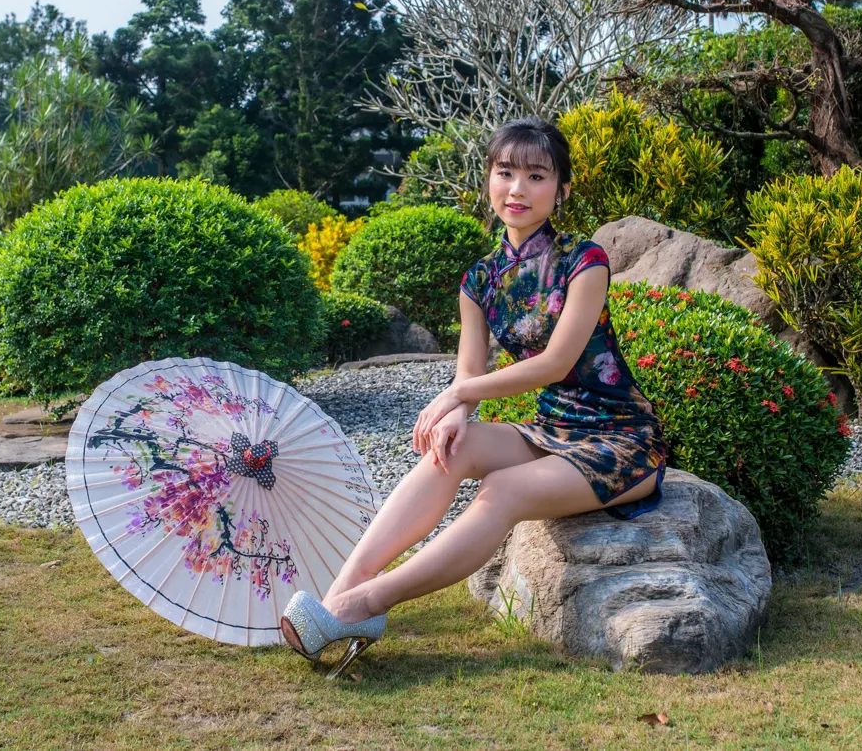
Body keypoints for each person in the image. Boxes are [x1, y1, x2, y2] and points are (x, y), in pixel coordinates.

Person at [281, 116, 668, 675]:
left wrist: (457, 392)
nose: (517, 189)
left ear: (560, 190)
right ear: (487, 179)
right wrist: (456, 411)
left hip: (621, 440)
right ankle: (340, 595)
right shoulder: (480, 279)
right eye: (505, 172)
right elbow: (469, 373)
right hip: (551, 430)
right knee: (449, 449)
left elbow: (554, 363)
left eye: (536, 176)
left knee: (502, 488)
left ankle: (367, 605)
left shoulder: (584, 262)